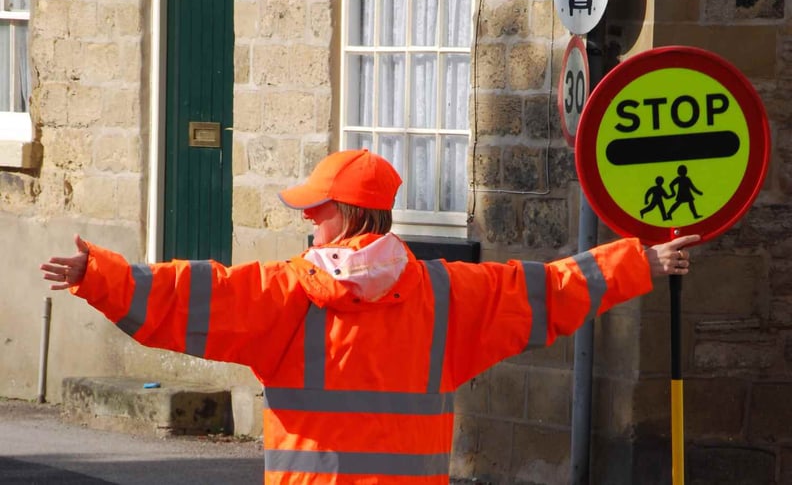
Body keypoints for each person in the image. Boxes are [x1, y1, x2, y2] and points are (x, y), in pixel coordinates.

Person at [41, 149, 700, 484]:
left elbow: (187, 295)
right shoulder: (448, 296)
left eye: (317, 206)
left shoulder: (286, 294)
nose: (306, 217)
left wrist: (99, 276)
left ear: (349, 213)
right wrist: (642, 261)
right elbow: (553, 289)